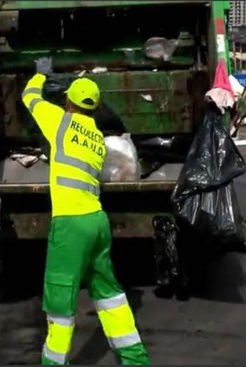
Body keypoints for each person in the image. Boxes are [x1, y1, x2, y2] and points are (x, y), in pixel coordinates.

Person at [22, 57, 150, 366]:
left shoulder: (59, 121)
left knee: (60, 301)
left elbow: (29, 97)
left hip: (71, 224)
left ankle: (53, 363)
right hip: (97, 222)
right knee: (110, 295)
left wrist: (41, 75)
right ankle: (135, 359)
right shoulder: (96, 138)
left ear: (67, 101)